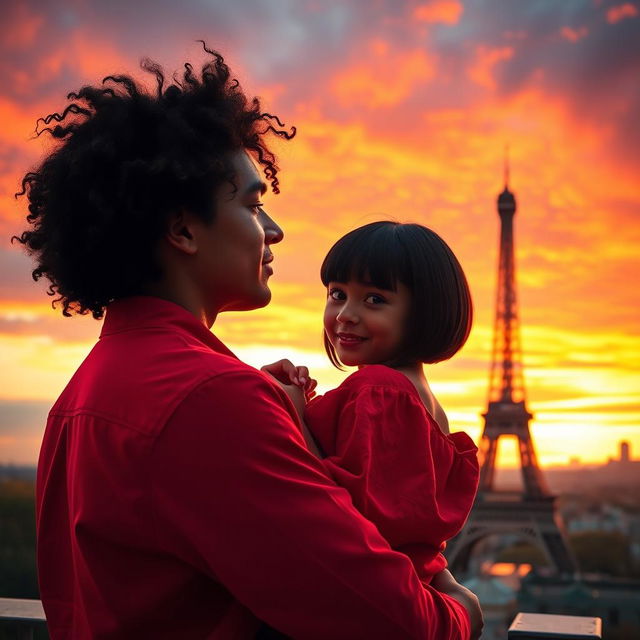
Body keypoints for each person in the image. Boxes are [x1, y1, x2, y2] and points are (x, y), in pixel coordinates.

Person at [13, 43, 481, 639]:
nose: (275, 229)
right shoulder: (211, 400)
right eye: (253, 204)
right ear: (182, 228)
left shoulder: (82, 395)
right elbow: (396, 625)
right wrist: (461, 613)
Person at [268, 220, 481, 614]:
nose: (345, 314)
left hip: (354, 600)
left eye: (374, 300)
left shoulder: (380, 390)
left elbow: (337, 512)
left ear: (423, 312)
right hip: (398, 596)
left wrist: (291, 412)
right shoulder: (423, 401)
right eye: (337, 294)